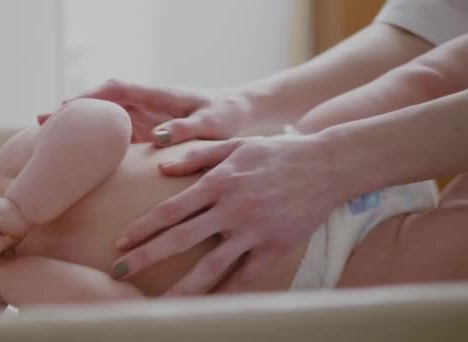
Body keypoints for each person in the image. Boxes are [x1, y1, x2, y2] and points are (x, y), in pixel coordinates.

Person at [0, 98, 468, 315]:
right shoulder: (30, 306)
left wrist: (20, 210)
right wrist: (11, 283)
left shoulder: (19, 167)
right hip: (327, 269)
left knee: (407, 97)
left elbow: (102, 124)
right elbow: (124, 312)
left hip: (300, 159)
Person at [64, 0, 468, 295]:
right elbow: (434, 26)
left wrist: (330, 160)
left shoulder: (32, 212)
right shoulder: (44, 249)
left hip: (315, 185)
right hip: (325, 219)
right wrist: (246, 104)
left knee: (424, 80)